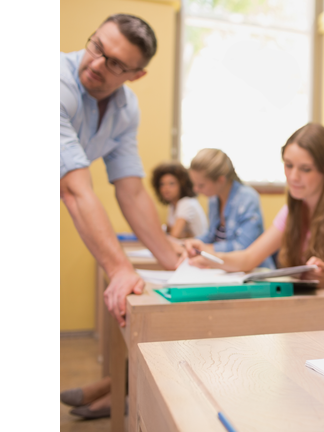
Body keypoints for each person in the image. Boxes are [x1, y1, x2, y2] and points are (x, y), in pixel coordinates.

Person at [59, 14, 182, 419]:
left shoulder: (126, 109)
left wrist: (173, 260)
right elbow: (75, 190)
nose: (96, 63)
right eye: (97, 46)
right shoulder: (55, 82)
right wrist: (119, 268)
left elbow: (130, 190)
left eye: (115, 63)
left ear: (137, 74)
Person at [185, 123, 324, 328]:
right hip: (314, 316)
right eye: (288, 165)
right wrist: (208, 257)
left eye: (305, 169)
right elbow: (248, 258)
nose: (293, 177)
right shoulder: (294, 210)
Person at [187, 148, 275, 268]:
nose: (196, 189)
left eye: (201, 185)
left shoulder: (248, 198)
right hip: (223, 269)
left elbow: (244, 246)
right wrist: (193, 243)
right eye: (194, 184)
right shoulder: (214, 198)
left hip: (252, 272)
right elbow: (211, 235)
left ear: (221, 180)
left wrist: (207, 248)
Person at [151, 161, 208, 238]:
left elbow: (174, 235)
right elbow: (169, 230)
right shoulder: (172, 205)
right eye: (162, 184)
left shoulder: (186, 202)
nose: (166, 188)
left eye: (171, 183)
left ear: (181, 185)